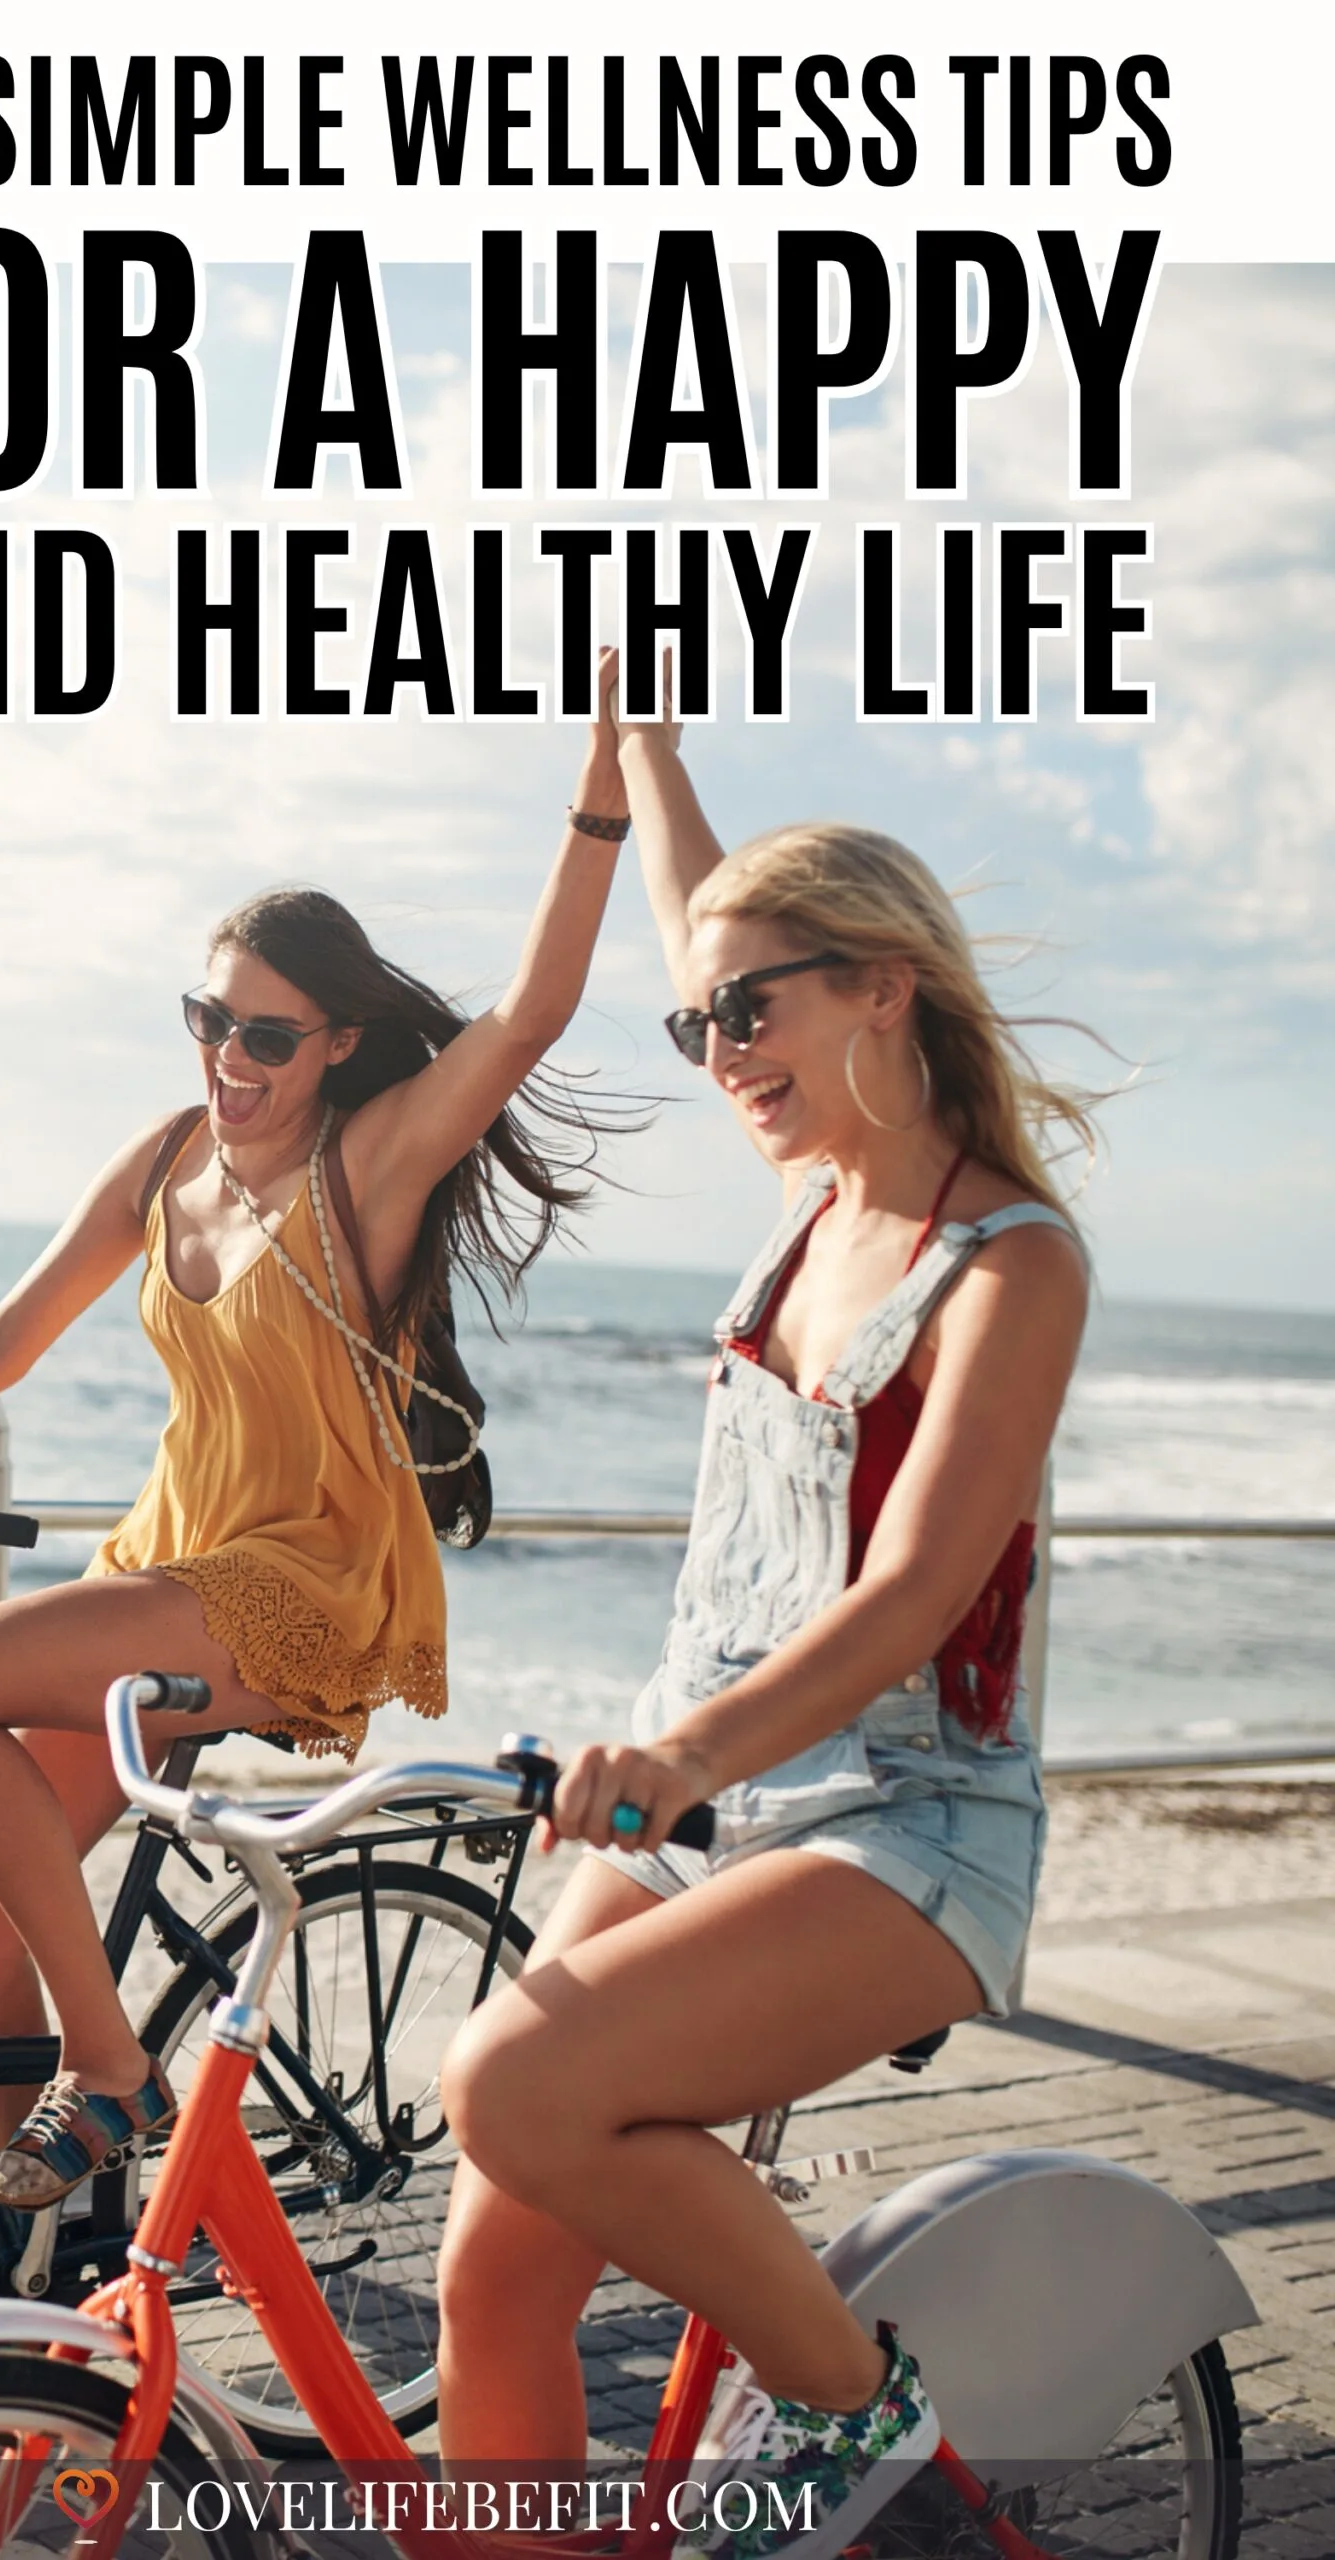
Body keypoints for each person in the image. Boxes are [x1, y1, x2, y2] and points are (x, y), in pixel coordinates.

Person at [0, 676, 636, 2343]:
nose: (229, 1059)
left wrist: (602, 794)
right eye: (205, 1020)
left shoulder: (373, 1164)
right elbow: (2, 1339)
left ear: (337, 1042)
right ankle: (51, 2298)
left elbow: (531, 1017)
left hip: (302, 1584)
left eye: (266, 1034)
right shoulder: (162, 1164)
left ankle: (111, 2062)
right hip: (169, 1566)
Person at [437, 701, 1094, 2558]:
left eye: (753, 1012)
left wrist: (681, 1755)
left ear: (881, 990)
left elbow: (910, 1594)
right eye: (697, 1020)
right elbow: (694, 917)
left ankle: (856, 2425)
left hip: (903, 1824)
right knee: (493, 2263)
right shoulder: (814, 1206)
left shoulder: (1008, 1265)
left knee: (508, 2081)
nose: (716, 1048)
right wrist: (635, 735)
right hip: (711, 1794)